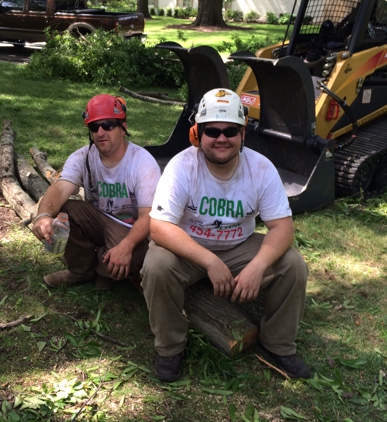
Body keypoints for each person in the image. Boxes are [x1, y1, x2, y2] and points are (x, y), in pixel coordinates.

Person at [141, 88, 311, 382]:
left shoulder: (261, 168)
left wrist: (257, 266)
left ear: (243, 133)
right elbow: (159, 227)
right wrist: (209, 262)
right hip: (189, 248)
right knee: (156, 266)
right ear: (198, 133)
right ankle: (170, 348)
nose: (221, 138)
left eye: (230, 130)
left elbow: (282, 227)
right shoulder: (182, 166)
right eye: (212, 131)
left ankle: (278, 345)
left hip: (239, 246)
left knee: (292, 265)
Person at [32, 94, 161, 290]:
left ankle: (101, 268)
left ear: (122, 127)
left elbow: (148, 217)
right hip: (97, 219)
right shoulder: (83, 157)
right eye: (94, 126)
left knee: (134, 256)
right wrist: (42, 217)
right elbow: (59, 188)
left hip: (128, 226)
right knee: (63, 210)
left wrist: (125, 247)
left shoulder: (142, 162)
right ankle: (81, 270)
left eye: (108, 124)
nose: (100, 132)